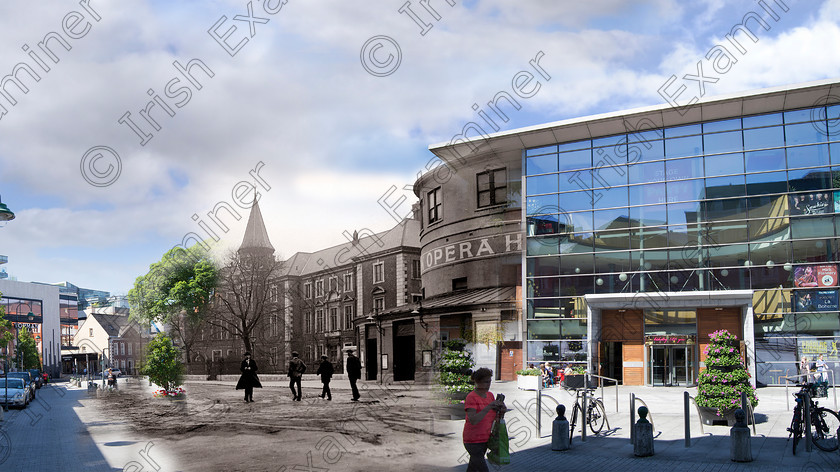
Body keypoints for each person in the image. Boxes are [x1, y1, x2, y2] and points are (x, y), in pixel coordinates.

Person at [463, 367, 506, 472]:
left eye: (490, 381)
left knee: (473, 468)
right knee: (482, 468)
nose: (488, 384)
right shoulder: (471, 397)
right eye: (486, 382)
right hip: (472, 440)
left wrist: (501, 411)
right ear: (477, 382)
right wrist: (489, 406)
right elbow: (473, 420)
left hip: (485, 439)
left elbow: (494, 418)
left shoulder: (490, 395)